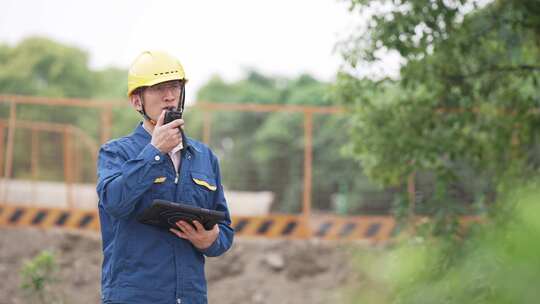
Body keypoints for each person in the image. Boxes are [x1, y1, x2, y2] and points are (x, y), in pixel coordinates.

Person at [96, 50, 234, 304]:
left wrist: (209, 240)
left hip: (190, 297)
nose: (169, 96)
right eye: (159, 88)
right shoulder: (116, 153)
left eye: (174, 86)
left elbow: (224, 230)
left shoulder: (204, 157)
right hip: (134, 297)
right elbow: (114, 202)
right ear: (137, 101)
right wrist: (154, 152)